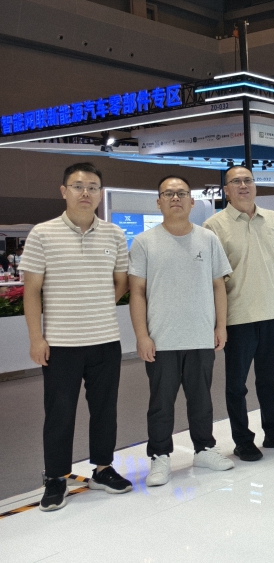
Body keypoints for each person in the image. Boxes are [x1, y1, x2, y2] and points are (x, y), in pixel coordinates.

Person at [20, 162, 134, 512]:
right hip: (61, 343)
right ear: (64, 191)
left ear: (100, 194)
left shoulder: (114, 234)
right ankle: (56, 477)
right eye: (78, 186)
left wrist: (94, 304)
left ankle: (103, 468)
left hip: (105, 339)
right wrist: (36, 338)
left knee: (105, 409)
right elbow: (31, 291)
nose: (86, 192)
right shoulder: (42, 233)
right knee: (59, 413)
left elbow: (121, 282)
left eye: (93, 187)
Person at [128, 176, 236, 486]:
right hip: (161, 339)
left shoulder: (208, 239)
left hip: (200, 336)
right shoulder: (144, 242)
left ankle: (204, 449)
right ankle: (160, 456)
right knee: (161, 403)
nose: (175, 198)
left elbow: (218, 286)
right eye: (168, 193)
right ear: (158, 202)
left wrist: (220, 325)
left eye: (181, 193)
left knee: (201, 399)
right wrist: (142, 335)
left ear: (191, 201)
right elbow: (137, 292)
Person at [203, 165, 274, 462]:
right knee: (236, 385)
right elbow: (213, 280)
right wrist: (219, 323)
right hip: (237, 318)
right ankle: (243, 440)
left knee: (270, 380)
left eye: (248, 180)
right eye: (236, 181)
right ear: (226, 190)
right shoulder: (213, 226)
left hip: (272, 314)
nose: (243, 185)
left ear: (255, 185)